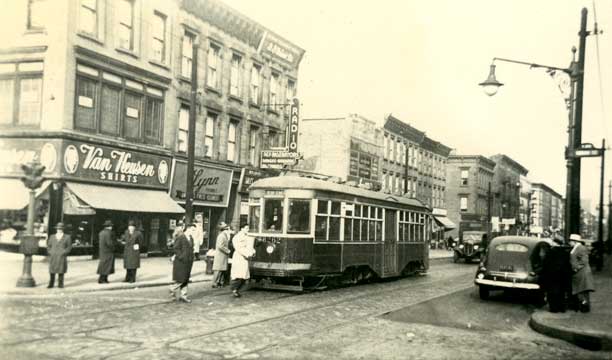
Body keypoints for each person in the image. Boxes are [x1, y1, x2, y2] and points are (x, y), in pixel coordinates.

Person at [540, 234, 572, 313]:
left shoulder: (550, 252)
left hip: (552, 276)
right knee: (561, 292)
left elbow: (545, 264)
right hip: (562, 276)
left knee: (552, 293)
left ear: (555, 243)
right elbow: (568, 265)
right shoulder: (565, 253)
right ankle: (562, 308)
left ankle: (554, 308)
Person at [569, 234, 595, 313]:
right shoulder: (577, 248)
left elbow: (584, 261)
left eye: (570, 241)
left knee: (582, 291)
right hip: (579, 273)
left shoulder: (580, 248)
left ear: (574, 241)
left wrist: (576, 268)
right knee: (581, 291)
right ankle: (583, 307)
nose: (569, 242)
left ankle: (585, 307)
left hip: (582, 273)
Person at [230, 224, 256, 298]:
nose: (247, 229)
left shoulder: (247, 236)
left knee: (244, 274)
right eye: (246, 228)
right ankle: (234, 289)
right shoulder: (237, 237)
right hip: (239, 257)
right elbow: (238, 248)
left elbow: (249, 246)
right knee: (238, 274)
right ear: (242, 229)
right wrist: (247, 253)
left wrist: (252, 251)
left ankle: (237, 289)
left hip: (244, 258)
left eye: (248, 228)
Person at [170, 223, 194, 303]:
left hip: (188, 262)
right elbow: (176, 248)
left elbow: (191, 249)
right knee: (181, 279)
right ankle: (172, 289)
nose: (193, 231)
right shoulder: (181, 237)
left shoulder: (191, 238)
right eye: (192, 230)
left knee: (186, 279)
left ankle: (183, 296)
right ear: (187, 229)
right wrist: (181, 257)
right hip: (181, 262)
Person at [46, 222, 72, 288]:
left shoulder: (67, 237)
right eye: (58, 228)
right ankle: (51, 284)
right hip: (53, 256)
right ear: (56, 229)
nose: (59, 230)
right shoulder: (52, 236)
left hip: (61, 256)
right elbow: (48, 246)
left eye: (60, 228)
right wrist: (50, 252)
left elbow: (69, 247)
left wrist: (64, 252)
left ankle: (60, 284)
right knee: (52, 270)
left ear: (63, 229)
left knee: (61, 270)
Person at [212, 222, 231, 288]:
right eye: (228, 229)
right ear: (225, 230)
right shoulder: (222, 236)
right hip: (220, 255)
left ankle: (219, 282)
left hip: (223, 255)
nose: (229, 230)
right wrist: (227, 251)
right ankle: (215, 283)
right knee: (218, 269)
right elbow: (220, 246)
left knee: (221, 269)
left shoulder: (224, 235)